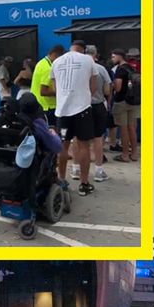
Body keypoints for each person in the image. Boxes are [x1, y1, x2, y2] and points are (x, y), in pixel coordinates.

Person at [49, 40, 97, 197]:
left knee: (63, 146)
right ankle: (84, 183)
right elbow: (93, 86)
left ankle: (62, 180)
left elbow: (55, 88)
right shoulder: (88, 60)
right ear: (83, 49)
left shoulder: (56, 62)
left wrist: (64, 97)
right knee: (84, 146)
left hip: (63, 112)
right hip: (82, 110)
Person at [86, 45, 113, 182]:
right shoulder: (101, 69)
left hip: (81, 106)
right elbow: (107, 91)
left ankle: (76, 169)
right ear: (95, 54)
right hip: (97, 106)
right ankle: (98, 170)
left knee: (80, 139)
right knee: (98, 138)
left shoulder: (79, 68)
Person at [110, 49, 139, 163]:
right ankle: (134, 154)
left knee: (123, 129)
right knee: (132, 127)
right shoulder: (131, 68)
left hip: (122, 101)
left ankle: (125, 154)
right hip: (133, 101)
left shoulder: (120, 69)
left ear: (119, 56)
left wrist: (112, 86)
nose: (112, 59)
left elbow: (118, 88)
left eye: (113, 57)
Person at [33, 45, 64, 126]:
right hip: (47, 107)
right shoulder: (48, 68)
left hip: (39, 104)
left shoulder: (41, 62)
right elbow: (43, 91)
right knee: (52, 131)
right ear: (55, 55)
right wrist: (60, 91)